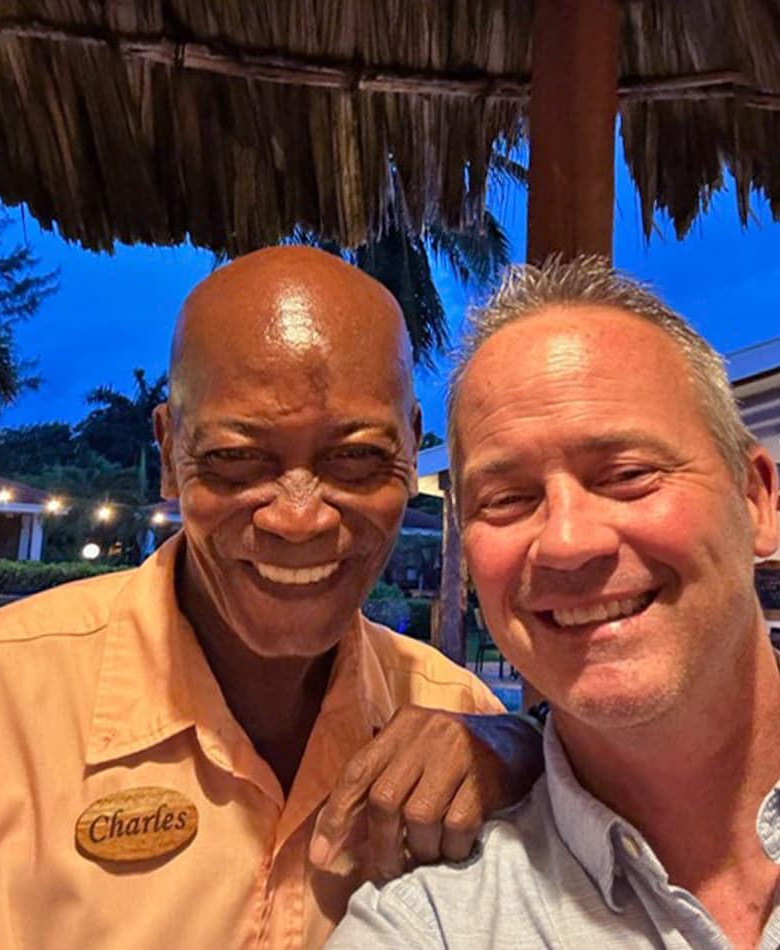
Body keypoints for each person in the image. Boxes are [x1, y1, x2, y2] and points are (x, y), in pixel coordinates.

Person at [0, 246, 543, 949]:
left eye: (353, 459)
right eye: (235, 460)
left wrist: (523, 744)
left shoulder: (457, 715)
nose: (298, 517)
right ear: (169, 453)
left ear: (413, 447)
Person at [328, 255, 780, 948]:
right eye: (508, 500)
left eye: (628, 475)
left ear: (756, 498)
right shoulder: (431, 925)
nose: (566, 542)